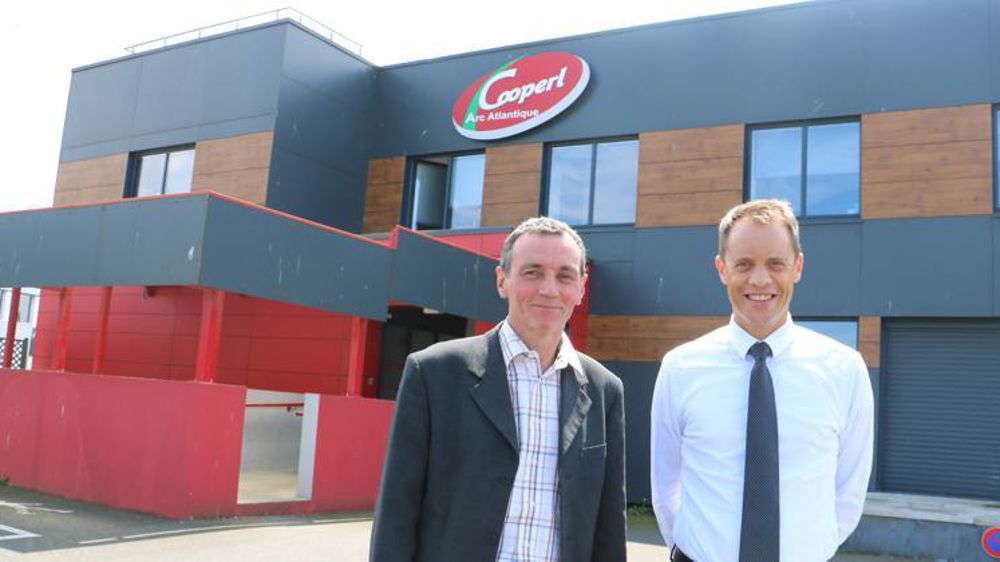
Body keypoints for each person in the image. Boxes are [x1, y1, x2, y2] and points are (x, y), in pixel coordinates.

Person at [370, 216, 626, 562]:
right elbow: (396, 513)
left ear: (581, 287)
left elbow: (608, 526)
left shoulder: (604, 390)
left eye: (564, 275)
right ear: (502, 279)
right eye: (532, 272)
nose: (549, 289)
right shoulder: (433, 373)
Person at [650, 199, 874, 562]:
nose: (759, 279)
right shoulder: (680, 368)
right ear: (722, 269)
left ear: (797, 267)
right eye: (744, 264)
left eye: (775, 264)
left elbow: (849, 490)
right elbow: (665, 486)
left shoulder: (844, 369)